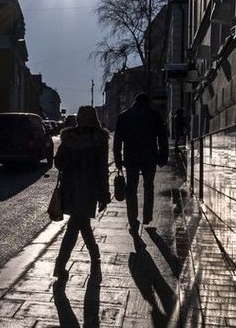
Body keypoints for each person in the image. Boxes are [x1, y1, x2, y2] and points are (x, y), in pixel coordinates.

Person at [53, 105, 111, 281]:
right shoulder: (99, 138)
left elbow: (58, 163)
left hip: (70, 186)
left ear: (78, 118)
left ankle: (94, 255)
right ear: (94, 118)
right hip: (89, 188)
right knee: (76, 224)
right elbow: (102, 169)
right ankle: (60, 265)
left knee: (81, 222)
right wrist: (104, 194)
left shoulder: (68, 137)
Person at [113, 93, 168, 232]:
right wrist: (163, 156)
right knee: (149, 186)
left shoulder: (124, 116)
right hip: (150, 156)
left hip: (131, 157)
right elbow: (162, 137)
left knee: (131, 187)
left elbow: (117, 141)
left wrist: (118, 160)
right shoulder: (154, 115)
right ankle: (147, 216)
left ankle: (133, 217)